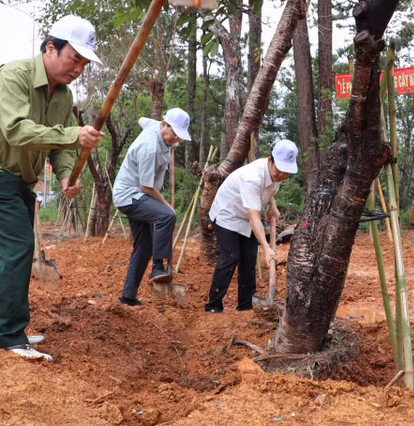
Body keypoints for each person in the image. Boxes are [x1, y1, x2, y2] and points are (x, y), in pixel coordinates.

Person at [0, 15, 104, 361]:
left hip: (17, 179)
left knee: (12, 253)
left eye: (84, 63)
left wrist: (67, 176)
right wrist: (73, 135)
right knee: (17, 248)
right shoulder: (14, 75)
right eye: (74, 58)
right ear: (50, 48)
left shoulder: (64, 96)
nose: (78, 68)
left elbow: (59, 149)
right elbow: (16, 130)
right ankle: (9, 335)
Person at [204, 140, 298, 313]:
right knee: (230, 258)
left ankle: (245, 306)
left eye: (287, 173)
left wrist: (272, 206)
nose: (283, 175)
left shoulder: (278, 174)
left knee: (248, 259)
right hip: (228, 214)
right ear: (270, 160)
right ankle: (213, 306)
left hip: (246, 216)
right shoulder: (252, 177)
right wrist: (267, 248)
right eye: (280, 170)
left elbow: (269, 191)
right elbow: (255, 218)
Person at [112, 109, 191, 306]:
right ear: (164, 124)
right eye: (174, 134)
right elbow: (146, 187)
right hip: (130, 195)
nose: (175, 139)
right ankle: (158, 268)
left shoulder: (154, 125)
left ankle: (128, 297)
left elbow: (140, 118)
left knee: (145, 246)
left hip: (135, 194)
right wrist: (167, 206)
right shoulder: (150, 148)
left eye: (179, 136)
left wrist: (173, 139)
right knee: (166, 217)